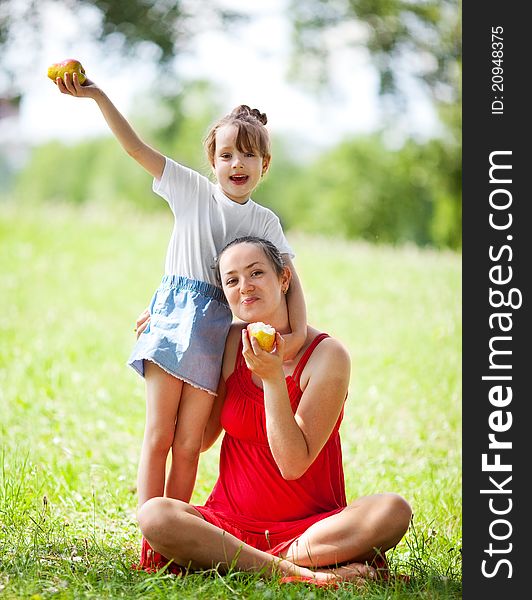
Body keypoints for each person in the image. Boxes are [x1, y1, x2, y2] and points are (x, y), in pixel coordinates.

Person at [52, 73, 308, 567]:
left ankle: (174, 545)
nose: (237, 164)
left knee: (190, 443)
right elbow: (134, 148)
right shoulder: (191, 190)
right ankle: (149, 544)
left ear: (265, 165)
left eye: (248, 155)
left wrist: (295, 333)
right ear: (211, 161)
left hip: (220, 333)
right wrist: (99, 95)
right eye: (227, 154)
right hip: (172, 322)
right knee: (159, 436)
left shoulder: (265, 222)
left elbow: (289, 280)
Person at [134, 236, 412, 586]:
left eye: (256, 273)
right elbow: (201, 439)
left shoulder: (328, 357)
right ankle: (309, 575)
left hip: (310, 531)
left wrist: (272, 379)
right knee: (157, 515)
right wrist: (162, 339)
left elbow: (293, 463)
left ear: (284, 279)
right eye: (232, 280)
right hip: (229, 523)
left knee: (393, 510)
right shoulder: (230, 342)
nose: (245, 287)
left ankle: (242, 561)